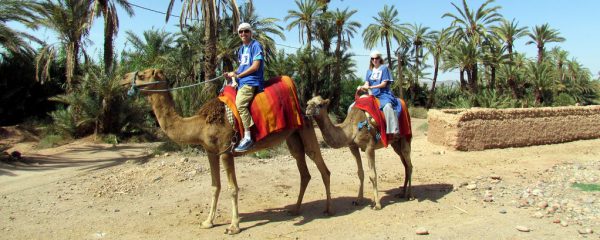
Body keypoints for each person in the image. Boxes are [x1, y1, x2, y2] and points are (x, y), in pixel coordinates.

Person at [224, 23, 265, 152]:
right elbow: (242, 66)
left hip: (251, 81)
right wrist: (232, 74)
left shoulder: (255, 45)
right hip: (241, 80)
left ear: (250, 32)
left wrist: (239, 75)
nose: (243, 34)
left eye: (246, 31)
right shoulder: (241, 49)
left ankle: (248, 137)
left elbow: (255, 66)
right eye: (240, 32)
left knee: (240, 104)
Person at [358, 50, 402, 135]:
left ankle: (393, 130)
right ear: (371, 60)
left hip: (384, 94)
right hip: (371, 95)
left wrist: (371, 87)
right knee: (357, 104)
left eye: (376, 58)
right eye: (373, 58)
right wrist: (362, 87)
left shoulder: (384, 68)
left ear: (380, 59)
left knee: (387, 106)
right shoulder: (369, 71)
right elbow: (367, 83)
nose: (375, 60)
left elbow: (383, 84)